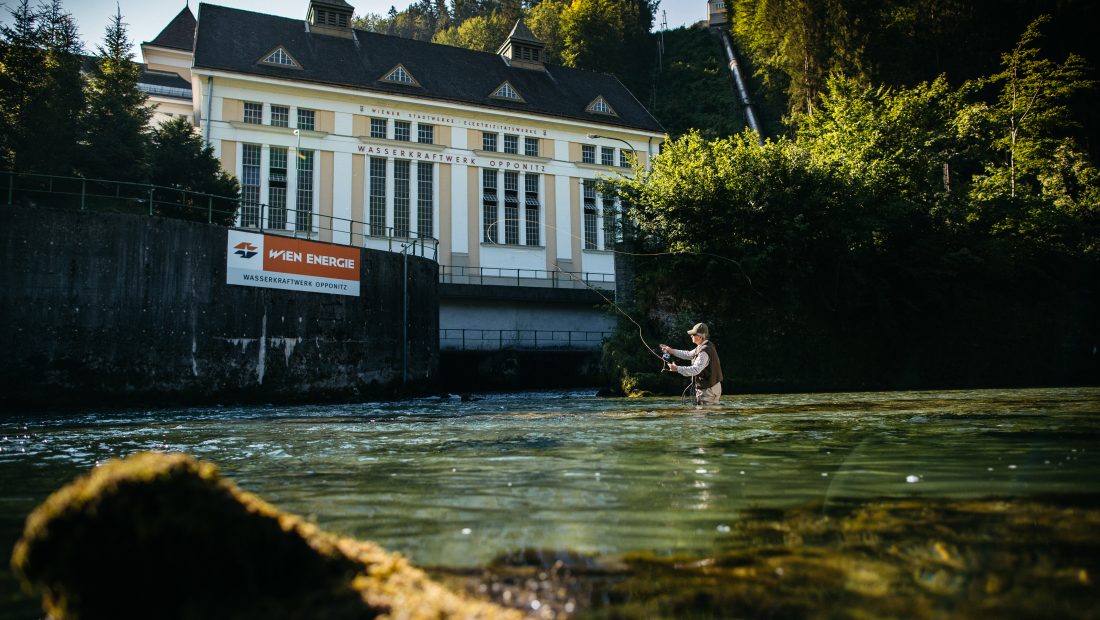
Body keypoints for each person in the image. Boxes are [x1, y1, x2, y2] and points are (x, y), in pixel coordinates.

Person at [660, 322, 724, 405]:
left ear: (701, 337)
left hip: (708, 390)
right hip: (713, 387)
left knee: (704, 415)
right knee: (711, 414)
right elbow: (689, 354)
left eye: (693, 334)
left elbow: (695, 370)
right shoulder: (706, 345)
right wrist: (671, 351)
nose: (691, 336)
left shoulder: (704, 351)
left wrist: (677, 369)